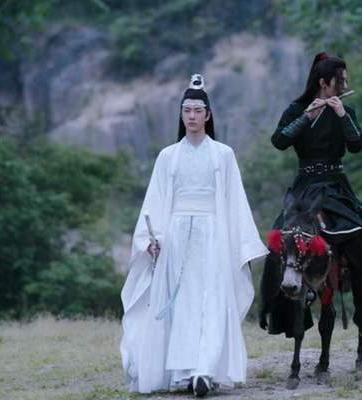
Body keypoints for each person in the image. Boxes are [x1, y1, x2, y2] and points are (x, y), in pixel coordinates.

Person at [120, 74, 268, 397]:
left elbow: (234, 201)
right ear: (181, 114)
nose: (191, 116)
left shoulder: (223, 155)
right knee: (182, 302)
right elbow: (156, 199)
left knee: (211, 300)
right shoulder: (167, 156)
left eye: (197, 110)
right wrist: (152, 239)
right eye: (186, 110)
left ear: (208, 115)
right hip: (175, 236)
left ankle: (205, 369)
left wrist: (238, 244)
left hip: (213, 235)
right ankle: (184, 371)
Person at [259, 52, 362, 339]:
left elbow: (357, 145)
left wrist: (342, 115)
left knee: (359, 234)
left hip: (336, 186)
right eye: (340, 80)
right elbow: (279, 141)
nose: (345, 85)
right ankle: (286, 312)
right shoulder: (297, 109)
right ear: (324, 83)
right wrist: (306, 117)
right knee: (281, 238)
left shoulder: (345, 111)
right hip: (305, 186)